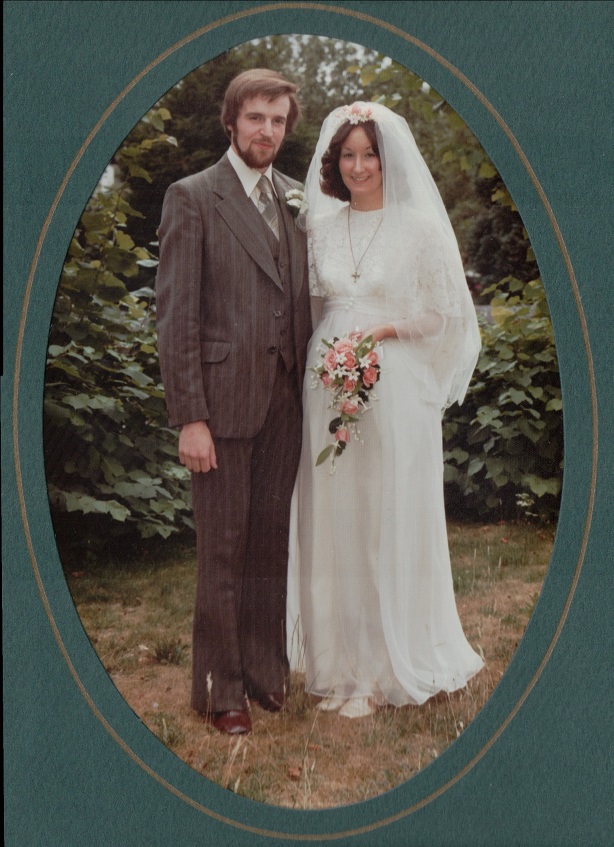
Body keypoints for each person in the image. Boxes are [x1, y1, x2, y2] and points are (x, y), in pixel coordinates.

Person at [287, 102, 484, 718]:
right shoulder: (319, 229)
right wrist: (328, 363)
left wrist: (380, 334)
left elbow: (445, 316)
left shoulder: (419, 229)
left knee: (384, 513)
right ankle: (343, 665)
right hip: (328, 380)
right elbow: (313, 312)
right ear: (333, 162)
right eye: (347, 154)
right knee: (336, 515)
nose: (359, 165)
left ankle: (383, 667)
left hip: (393, 380)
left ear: (387, 158)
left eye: (369, 153)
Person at [156, 69, 312, 735]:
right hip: (219, 406)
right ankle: (221, 689)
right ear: (231, 121)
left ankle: (263, 671)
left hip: (285, 401)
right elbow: (175, 316)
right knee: (223, 547)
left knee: (270, 542)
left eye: (278, 121)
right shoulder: (193, 197)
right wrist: (190, 415)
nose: (267, 132)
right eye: (256, 118)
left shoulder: (294, 199)